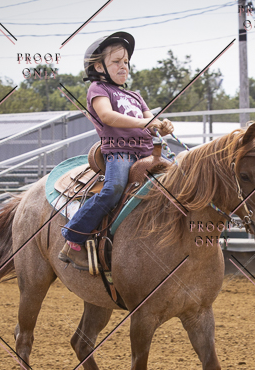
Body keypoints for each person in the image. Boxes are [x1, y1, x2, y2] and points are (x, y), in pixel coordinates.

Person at [59, 32, 174, 268]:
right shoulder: (98, 89)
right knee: (113, 189)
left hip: (148, 152)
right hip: (121, 152)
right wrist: (145, 122)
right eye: (116, 62)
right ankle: (73, 236)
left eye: (126, 62)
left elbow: (152, 122)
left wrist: (163, 126)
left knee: (182, 180)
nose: (124, 66)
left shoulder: (135, 96)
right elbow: (107, 116)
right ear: (99, 66)